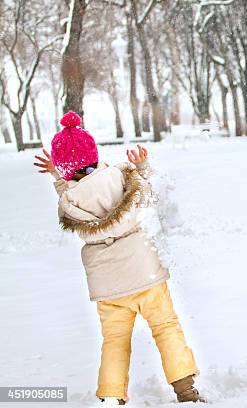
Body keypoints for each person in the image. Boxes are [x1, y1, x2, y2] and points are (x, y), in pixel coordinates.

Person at [33, 112, 206, 405]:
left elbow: (73, 190)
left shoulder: (69, 199)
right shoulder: (120, 176)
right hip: (146, 275)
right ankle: (185, 390)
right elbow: (148, 194)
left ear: (64, 170)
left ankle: (112, 396)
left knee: (115, 341)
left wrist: (56, 174)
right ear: (94, 155)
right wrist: (143, 167)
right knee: (165, 328)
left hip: (108, 288)